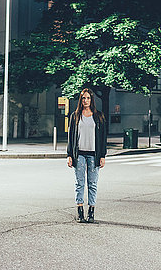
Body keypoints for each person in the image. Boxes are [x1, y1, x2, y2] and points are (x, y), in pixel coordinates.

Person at [67, 88, 107, 223]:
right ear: (80, 100)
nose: (86, 100)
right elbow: (70, 137)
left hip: (94, 155)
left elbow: (103, 138)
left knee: (93, 183)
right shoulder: (75, 116)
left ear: (92, 100)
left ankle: (91, 212)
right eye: (84, 98)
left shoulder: (99, 116)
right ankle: (80, 211)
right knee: (80, 183)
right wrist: (69, 155)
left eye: (88, 98)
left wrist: (102, 156)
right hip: (79, 155)